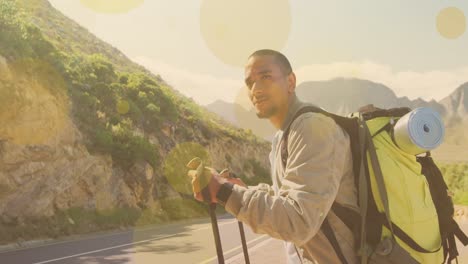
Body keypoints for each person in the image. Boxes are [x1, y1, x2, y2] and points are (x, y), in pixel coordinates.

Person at [193, 49, 359, 264]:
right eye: (249, 82)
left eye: (265, 77)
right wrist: (240, 188)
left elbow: (298, 221)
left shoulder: (313, 128)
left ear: (290, 81)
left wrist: (224, 192)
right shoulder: (283, 136)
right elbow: (290, 196)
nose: (256, 89)